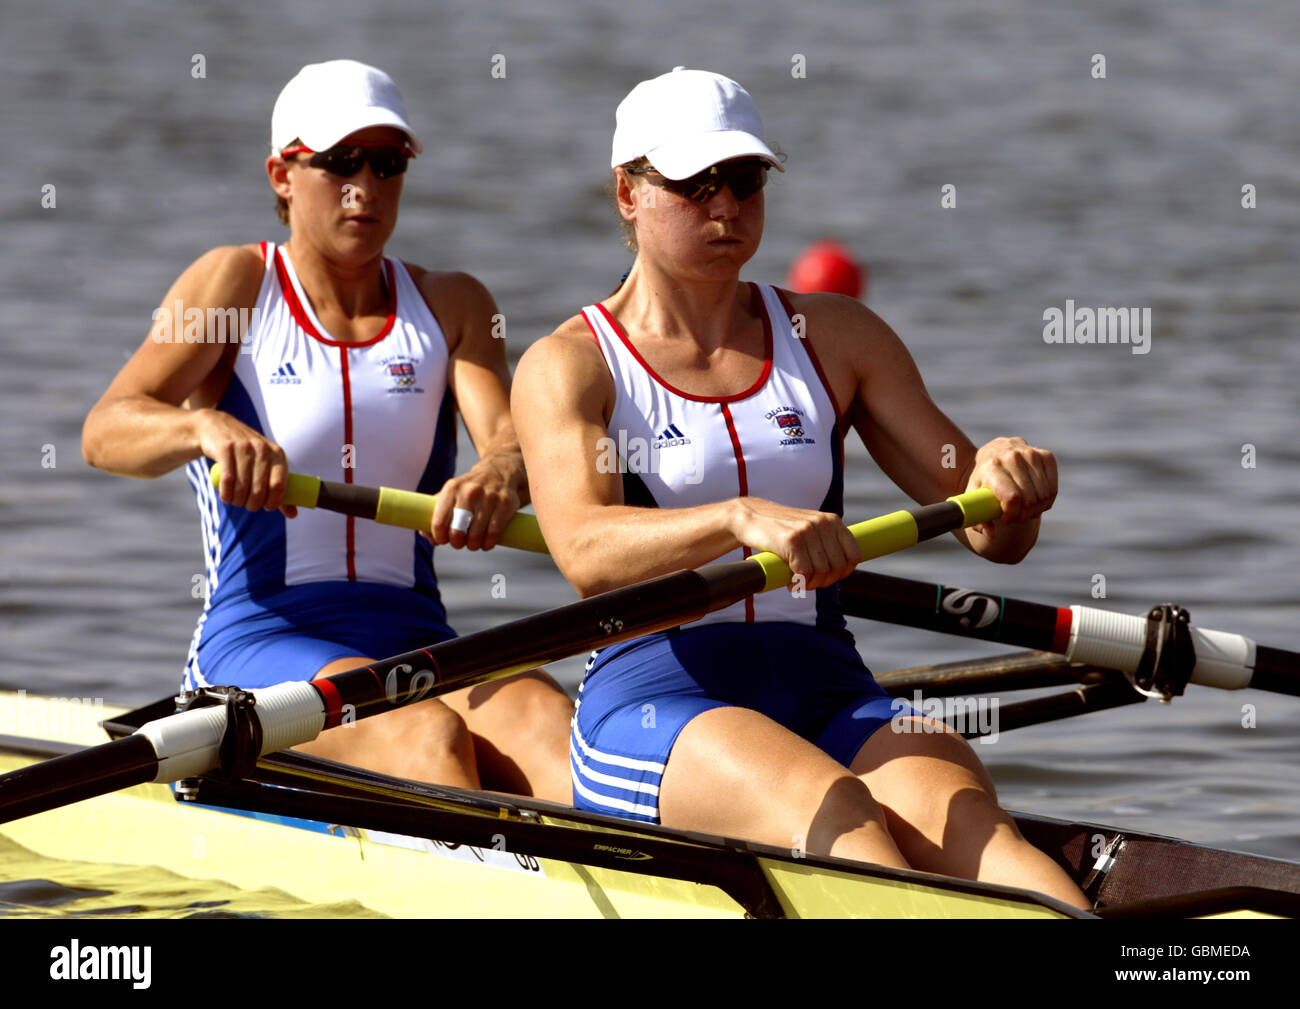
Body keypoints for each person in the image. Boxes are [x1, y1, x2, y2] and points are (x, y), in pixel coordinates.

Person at [511, 67, 1089, 907]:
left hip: (826, 686)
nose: (725, 206)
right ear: (627, 193)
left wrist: (1010, 479)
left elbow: (995, 536)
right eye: (693, 184)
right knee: (848, 827)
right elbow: (585, 553)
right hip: (654, 703)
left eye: (744, 181)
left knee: (971, 821)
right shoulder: (570, 364)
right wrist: (740, 519)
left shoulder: (839, 337)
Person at [82, 59, 572, 802]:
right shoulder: (235, 286)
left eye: (386, 163)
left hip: (417, 638)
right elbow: (106, 429)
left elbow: (510, 441)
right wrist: (207, 428)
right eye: (340, 163)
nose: (365, 187)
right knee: (426, 735)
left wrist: (503, 472)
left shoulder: (452, 304)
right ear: (282, 174)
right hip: (259, 643)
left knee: (551, 723)